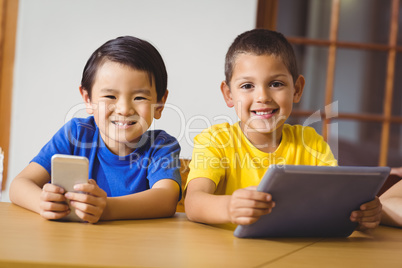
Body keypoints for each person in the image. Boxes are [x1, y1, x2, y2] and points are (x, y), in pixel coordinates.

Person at [184, 29, 381, 231]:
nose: (262, 97)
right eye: (247, 86)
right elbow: (193, 203)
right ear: (228, 94)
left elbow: (336, 200)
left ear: (296, 89)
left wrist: (361, 212)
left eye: (276, 84)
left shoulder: (310, 141)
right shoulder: (216, 140)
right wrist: (229, 207)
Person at [9, 36, 181, 223]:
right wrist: (41, 202)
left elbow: (166, 199)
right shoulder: (76, 134)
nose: (124, 109)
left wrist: (107, 208)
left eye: (139, 97)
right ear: (87, 99)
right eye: (110, 96)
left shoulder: (162, 146)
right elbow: (18, 185)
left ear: (160, 104)